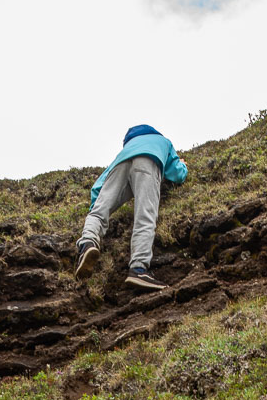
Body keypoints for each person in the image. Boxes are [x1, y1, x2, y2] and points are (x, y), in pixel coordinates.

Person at [75, 124, 188, 291]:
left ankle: (87, 243)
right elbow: (177, 174)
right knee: (145, 215)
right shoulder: (163, 141)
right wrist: (183, 165)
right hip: (148, 162)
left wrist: (96, 206)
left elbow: (98, 188)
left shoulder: (125, 150)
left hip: (120, 165)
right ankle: (138, 268)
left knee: (99, 212)